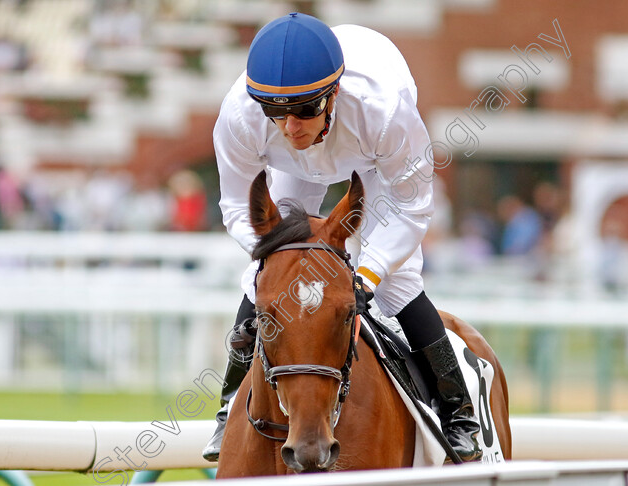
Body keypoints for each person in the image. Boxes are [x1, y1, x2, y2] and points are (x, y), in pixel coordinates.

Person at [203, 13, 482, 463]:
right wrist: (280, 256)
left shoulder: (383, 111)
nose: (292, 127)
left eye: (306, 110)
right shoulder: (241, 115)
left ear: (333, 94)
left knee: (399, 285)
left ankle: (459, 413)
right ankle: (228, 406)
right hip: (291, 169)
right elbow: (237, 208)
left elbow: (412, 207)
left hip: (372, 160)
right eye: (277, 112)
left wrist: (366, 275)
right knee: (264, 279)